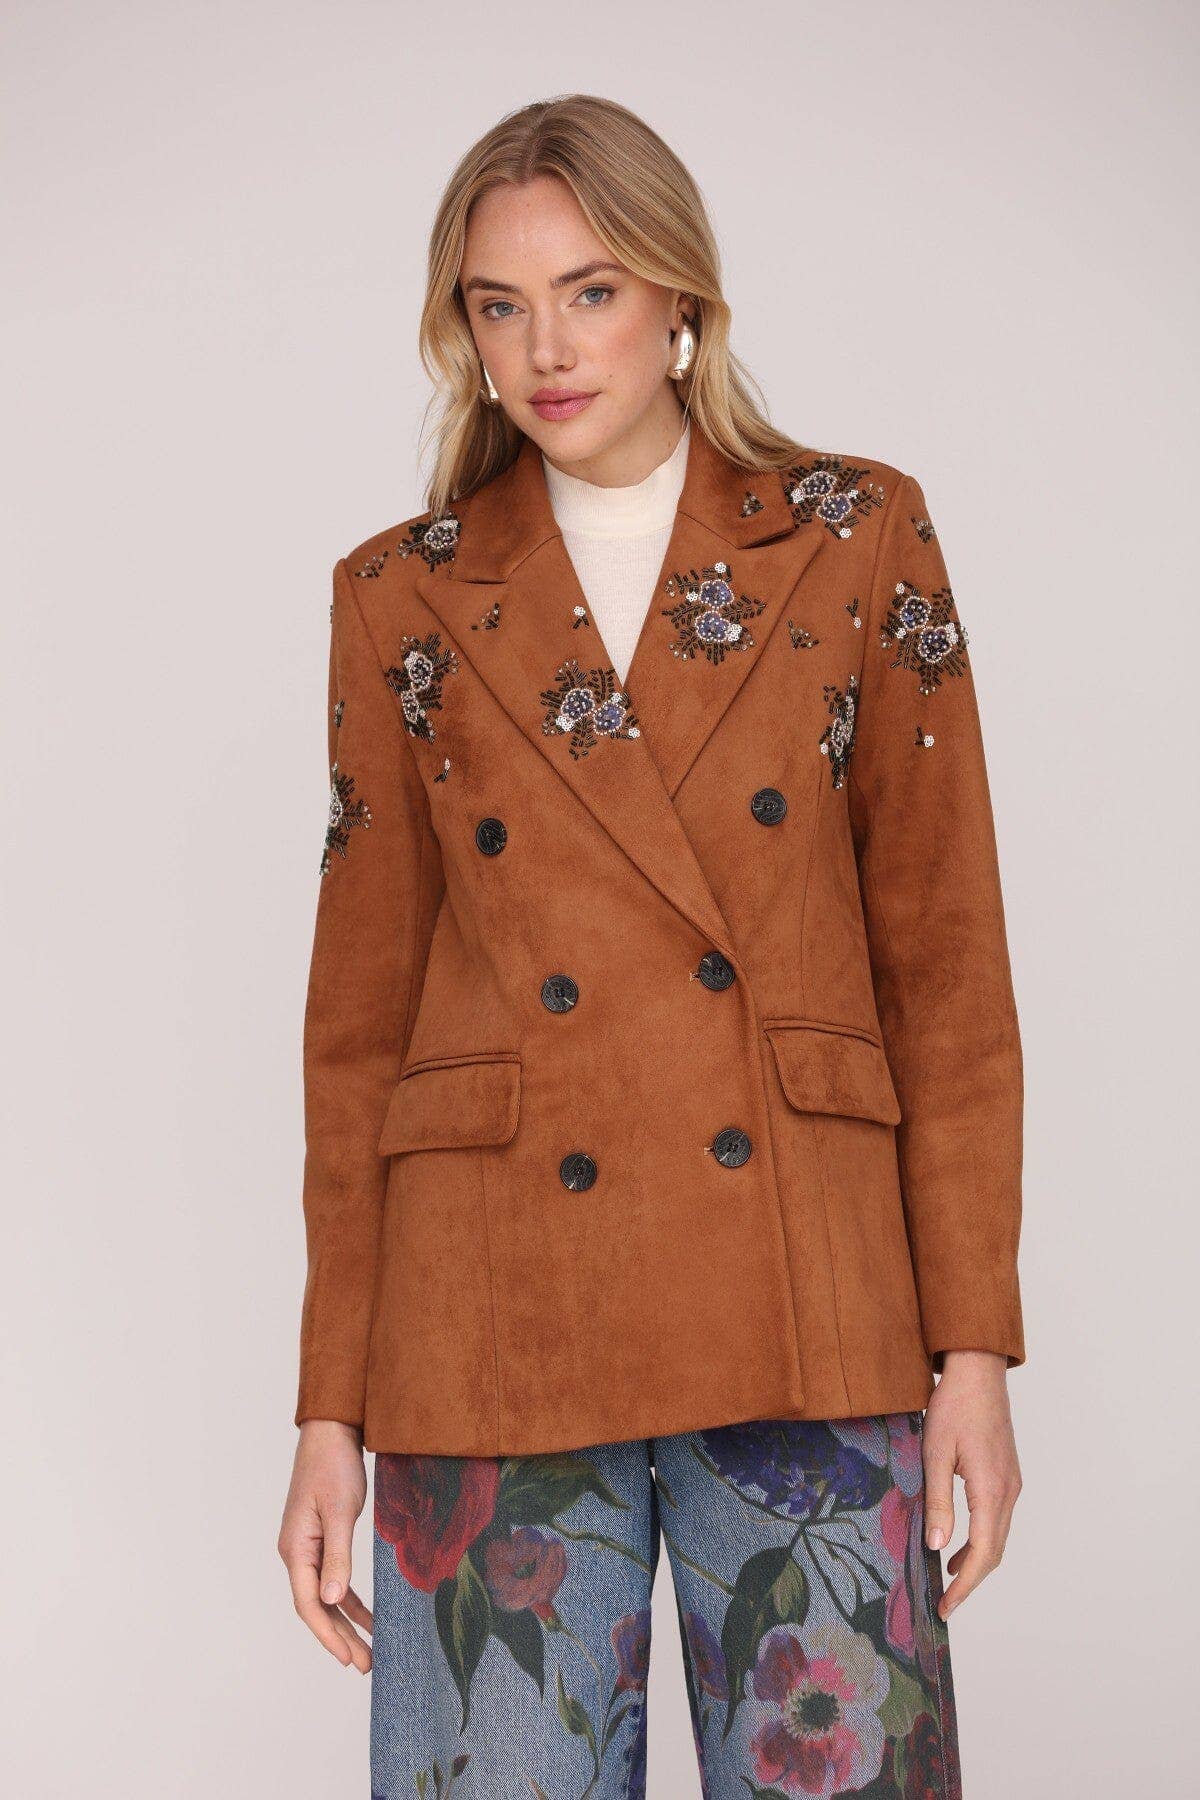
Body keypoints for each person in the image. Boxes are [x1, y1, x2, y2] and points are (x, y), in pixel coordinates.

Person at [278, 93, 1025, 1799]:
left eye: (592, 291)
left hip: (806, 1287)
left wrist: (972, 1351)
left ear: (682, 297)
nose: (546, 348)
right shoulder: (402, 592)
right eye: (499, 304)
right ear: (464, 331)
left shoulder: (853, 534)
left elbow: (947, 970)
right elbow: (357, 1026)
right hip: (489, 1312)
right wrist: (330, 1406)